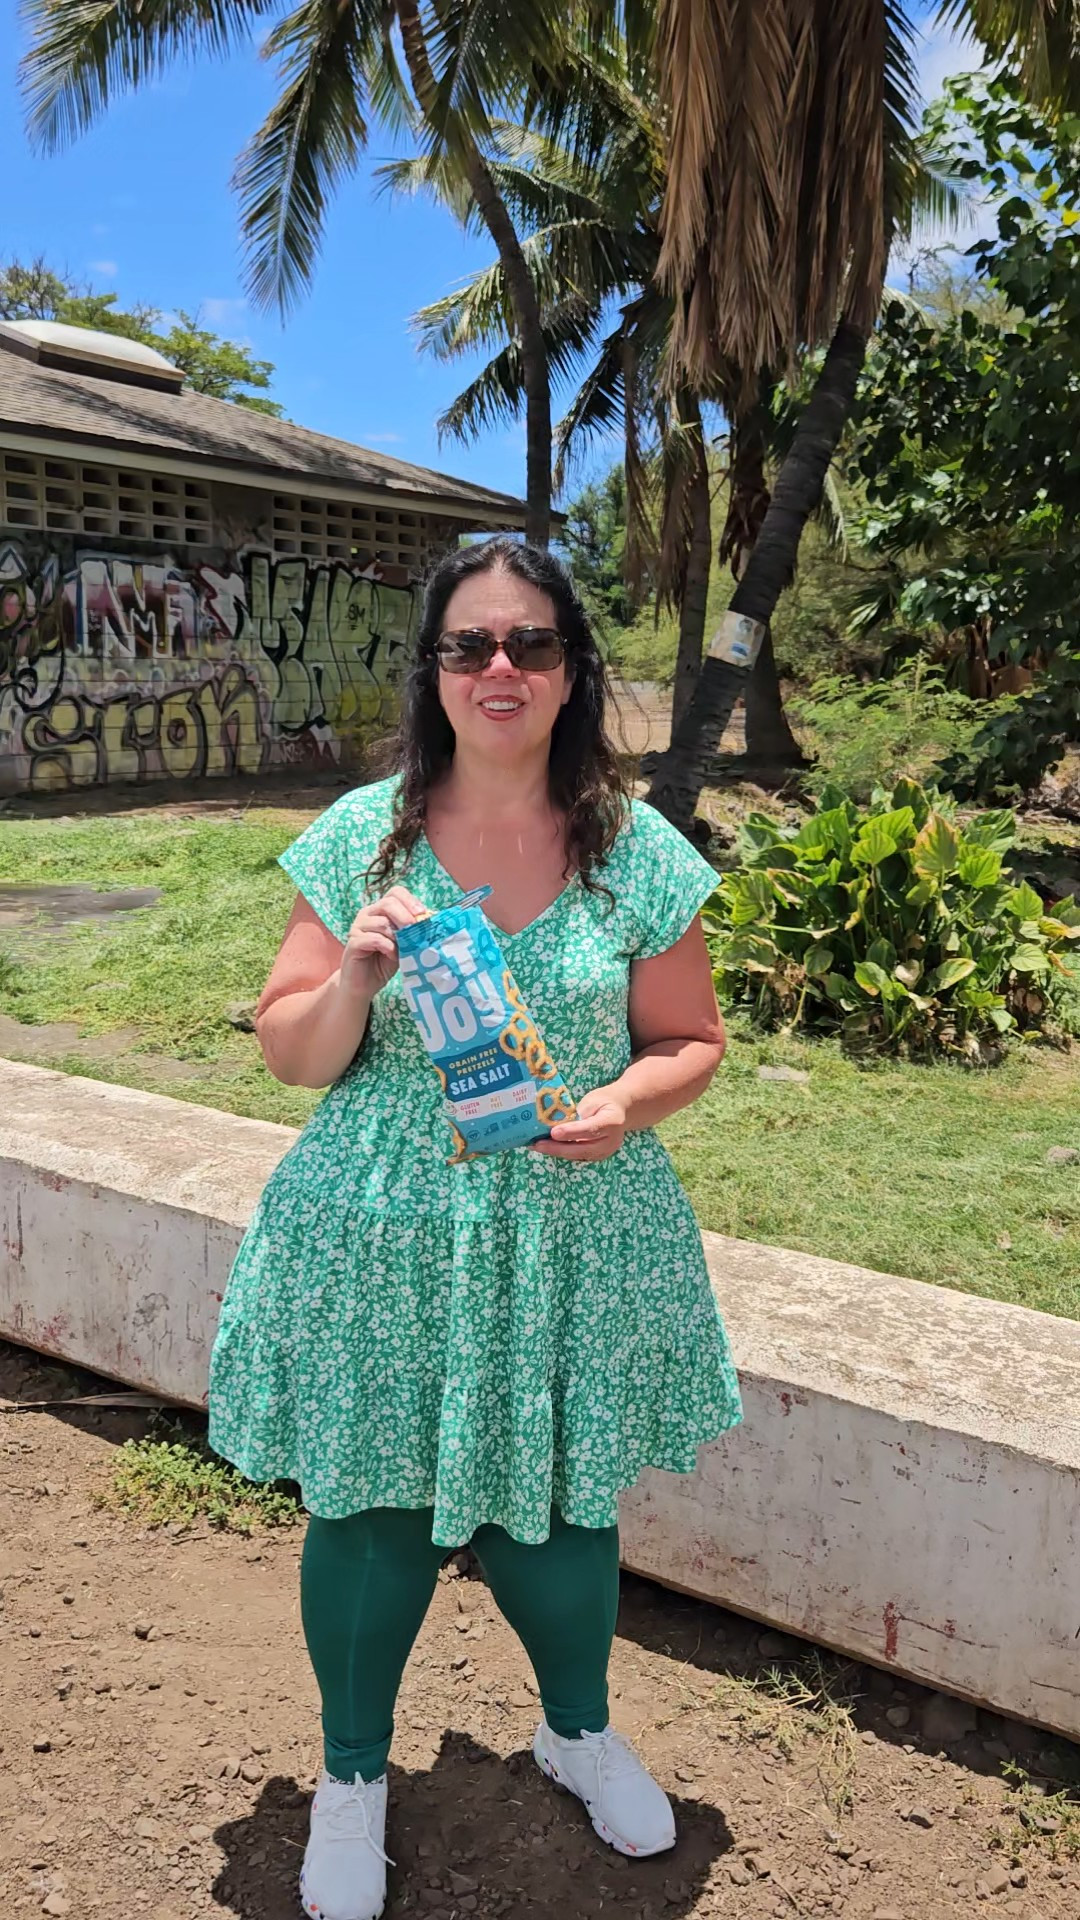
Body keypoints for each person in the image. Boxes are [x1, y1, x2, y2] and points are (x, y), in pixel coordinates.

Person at [208, 539, 743, 1920]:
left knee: (561, 1508)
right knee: (372, 1510)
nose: (500, 669)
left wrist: (625, 1103)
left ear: (571, 674)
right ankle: (350, 1778)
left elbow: (691, 1041)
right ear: (435, 672)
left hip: (569, 1226)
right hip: (384, 1230)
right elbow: (292, 1051)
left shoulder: (639, 851)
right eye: (470, 646)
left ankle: (575, 1729)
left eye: (531, 646)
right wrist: (357, 977)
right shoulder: (361, 835)